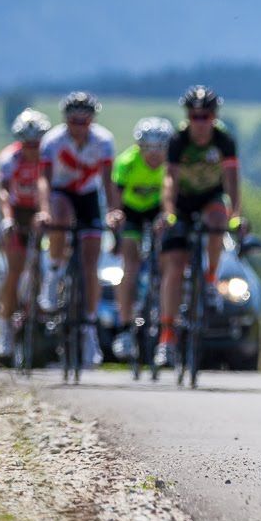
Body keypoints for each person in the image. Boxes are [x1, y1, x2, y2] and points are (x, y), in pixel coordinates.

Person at [154, 86, 244, 368]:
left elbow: (231, 178)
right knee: (175, 266)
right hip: (181, 202)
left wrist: (237, 213)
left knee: (219, 221)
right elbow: (169, 179)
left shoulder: (224, 140)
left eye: (206, 116)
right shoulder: (178, 140)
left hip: (209, 199)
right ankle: (167, 337)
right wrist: (168, 212)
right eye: (195, 116)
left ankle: (209, 280)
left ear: (214, 117)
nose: (200, 122)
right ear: (188, 117)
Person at [38, 91, 120, 367]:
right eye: (74, 121)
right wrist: (44, 210)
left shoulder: (104, 141)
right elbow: (44, 182)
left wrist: (112, 211)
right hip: (61, 193)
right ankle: (54, 271)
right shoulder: (52, 141)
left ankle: (88, 328)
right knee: (59, 215)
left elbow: (109, 182)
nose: (79, 127)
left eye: (84, 122)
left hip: (88, 197)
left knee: (90, 265)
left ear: (92, 120)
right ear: (66, 120)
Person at [106, 117, 174, 360]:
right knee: (130, 265)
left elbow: (171, 193)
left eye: (159, 149)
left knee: (169, 262)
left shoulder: (170, 165)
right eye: (148, 149)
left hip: (158, 210)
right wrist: (114, 214)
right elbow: (116, 196)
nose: (154, 155)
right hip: (131, 212)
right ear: (140, 147)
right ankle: (124, 328)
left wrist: (167, 215)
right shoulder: (127, 162)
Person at [0, 108, 53, 360]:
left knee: (50, 260)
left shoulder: (49, 157)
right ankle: (5, 327)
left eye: (36, 143)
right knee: (14, 269)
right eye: (27, 143)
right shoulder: (10, 157)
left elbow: (52, 189)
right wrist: (8, 219)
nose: (32, 148)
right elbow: (4, 193)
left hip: (42, 211)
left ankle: (45, 299)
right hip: (18, 213)